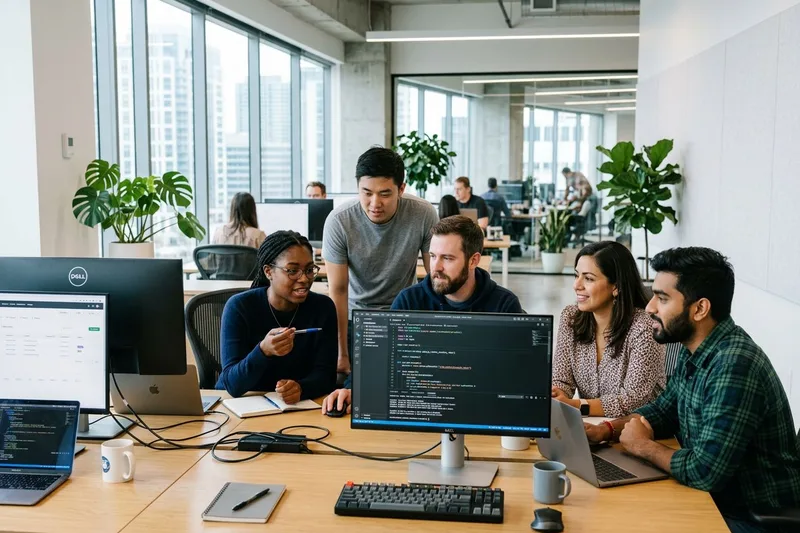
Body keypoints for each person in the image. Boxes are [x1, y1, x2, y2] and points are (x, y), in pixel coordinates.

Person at [584, 247, 800, 533]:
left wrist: (643, 446)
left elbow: (705, 472)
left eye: (662, 298)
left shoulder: (735, 365)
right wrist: (607, 430)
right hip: (714, 501)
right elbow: (664, 410)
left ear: (699, 309)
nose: (650, 308)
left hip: (749, 517)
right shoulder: (696, 348)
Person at [322, 215, 523, 414]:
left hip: (479, 408)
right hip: (422, 409)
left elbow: (516, 376)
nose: (436, 267)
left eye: (447, 258)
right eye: (433, 256)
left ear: (473, 261)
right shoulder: (410, 301)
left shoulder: (503, 305)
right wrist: (353, 388)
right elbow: (380, 358)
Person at [323, 146, 438, 376]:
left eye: (385, 194)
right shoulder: (339, 221)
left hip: (405, 316)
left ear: (401, 189)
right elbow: (338, 290)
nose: (375, 203)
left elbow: (436, 278)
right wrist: (341, 353)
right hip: (357, 320)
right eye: (366, 193)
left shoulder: (423, 213)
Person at [216, 231, 338, 400]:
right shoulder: (239, 307)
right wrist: (263, 351)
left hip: (297, 407)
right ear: (268, 272)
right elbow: (232, 384)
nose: (304, 278)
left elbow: (327, 376)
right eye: (293, 270)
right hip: (244, 403)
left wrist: (302, 388)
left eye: (309, 270)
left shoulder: (323, 307)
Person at [552, 241, 665, 417]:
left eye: (588, 278)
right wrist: (558, 395)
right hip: (591, 424)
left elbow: (633, 400)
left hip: (641, 425)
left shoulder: (644, 327)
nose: (576, 285)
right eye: (576, 275)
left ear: (616, 286)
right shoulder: (571, 318)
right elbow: (561, 380)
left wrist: (576, 405)